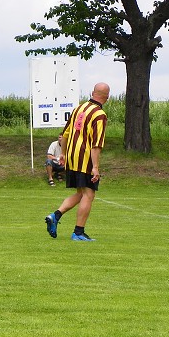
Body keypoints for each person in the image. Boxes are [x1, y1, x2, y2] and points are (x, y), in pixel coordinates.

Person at [45, 82, 110, 241]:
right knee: (89, 193)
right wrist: (95, 167)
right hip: (85, 158)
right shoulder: (99, 114)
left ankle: (55, 215)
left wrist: (64, 154)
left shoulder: (78, 109)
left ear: (92, 92)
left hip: (73, 157)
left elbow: (65, 134)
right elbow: (96, 144)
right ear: (107, 98)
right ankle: (78, 232)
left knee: (81, 193)